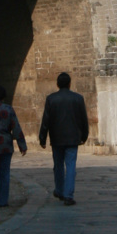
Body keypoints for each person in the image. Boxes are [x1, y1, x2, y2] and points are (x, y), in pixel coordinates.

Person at [39, 72, 89, 205]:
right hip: (73, 138)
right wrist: (84, 135)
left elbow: (46, 121)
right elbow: (83, 119)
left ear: (57, 84)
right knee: (71, 166)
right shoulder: (78, 98)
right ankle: (69, 195)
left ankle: (60, 190)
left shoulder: (51, 99)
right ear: (69, 83)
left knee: (58, 165)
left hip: (57, 138)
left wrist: (42, 138)